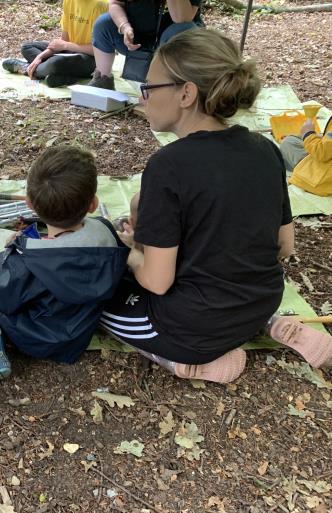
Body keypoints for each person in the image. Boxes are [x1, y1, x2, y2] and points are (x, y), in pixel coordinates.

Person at [98, 29, 332, 384]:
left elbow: (157, 282)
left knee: (97, 298)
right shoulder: (265, 149)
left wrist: (128, 253)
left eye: (149, 88)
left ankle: (186, 363)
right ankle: (276, 324)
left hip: (193, 327)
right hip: (260, 303)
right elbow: (284, 246)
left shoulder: (168, 166)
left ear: (186, 93)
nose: (142, 98)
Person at [0, 145, 130, 393]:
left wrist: (4, 259)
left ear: (30, 204)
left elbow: (7, 300)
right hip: (75, 339)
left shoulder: (28, 258)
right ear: (93, 204)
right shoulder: (106, 234)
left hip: (35, 338)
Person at [88, 0, 203, 89]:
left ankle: (170, 88)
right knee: (103, 24)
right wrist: (124, 26)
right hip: (137, 36)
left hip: (172, 41)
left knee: (183, 31)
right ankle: (102, 79)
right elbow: (115, 3)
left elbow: (182, 18)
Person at [2, 0, 109, 88]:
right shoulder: (69, 1)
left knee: (55, 63)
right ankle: (62, 77)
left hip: (92, 59)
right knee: (27, 47)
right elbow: (64, 39)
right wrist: (40, 56)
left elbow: (101, 50)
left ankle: (26, 68)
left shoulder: (100, 5)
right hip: (70, 51)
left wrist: (66, 46)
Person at [280, 117, 332, 196]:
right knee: (290, 140)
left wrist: (308, 134)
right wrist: (320, 136)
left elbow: (322, 153)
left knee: (287, 143)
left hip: (321, 180)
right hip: (324, 156)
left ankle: (303, 165)